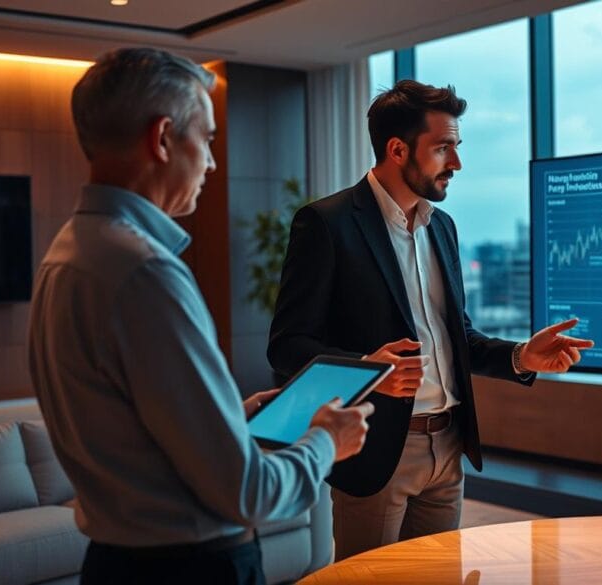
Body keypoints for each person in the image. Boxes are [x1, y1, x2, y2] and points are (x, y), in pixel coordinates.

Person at [27, 47, 374, 585]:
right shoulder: (144, 272)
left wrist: (229, 415)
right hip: (190, 568)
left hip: (117, 562)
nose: (212, 162)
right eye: (208, 140)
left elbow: (128, 426)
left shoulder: (69, 252)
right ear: (163, 138)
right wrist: (328, 440)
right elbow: (246, 493)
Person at [267, 79, 594, 559]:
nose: (456, 164)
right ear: (397, 150)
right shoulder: (327, 223)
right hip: (377, 452)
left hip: (449, 446)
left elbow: (454, 336)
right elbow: (287, 345)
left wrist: (522, 356)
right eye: (443, 149)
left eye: (456, 147)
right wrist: (367, 371)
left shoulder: (442, 227)